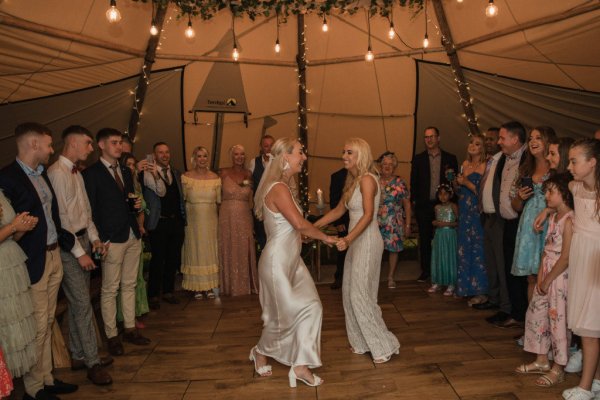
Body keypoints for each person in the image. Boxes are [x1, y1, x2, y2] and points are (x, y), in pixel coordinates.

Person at [250, 137, 338, 388]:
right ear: (285, 157)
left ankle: (300, 365)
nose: (304, 157)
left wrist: (303, 237)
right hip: (277, 262)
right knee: (281, 317)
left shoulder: (286, 187)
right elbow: (299, 224)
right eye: (300, 152)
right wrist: (327, 238)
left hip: (292, 261)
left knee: (312, 307)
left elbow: (294, 229)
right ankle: (260, 352)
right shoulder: (277, 188)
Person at [0, 122, 78, 400]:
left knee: (46, 322)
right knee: (37, 325)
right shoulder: (7, 178)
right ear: (33, 144)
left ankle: (46, 378)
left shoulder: (41, 174)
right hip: (33, 260)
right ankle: (34, 389)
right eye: (47, 144)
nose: (51, 149)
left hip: (54, 253)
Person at [315, 138, 400, 364]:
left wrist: (348, 239)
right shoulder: (352, 181)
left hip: (367, 239)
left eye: (349, 152)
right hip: (355, 240)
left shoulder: (368, 180)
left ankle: (383, 345)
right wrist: (312, 228)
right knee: (349, 292)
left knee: (361, 295)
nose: (344, 155)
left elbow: (368, 215)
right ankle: (362, 341)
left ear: (360, 155)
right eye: (343, 151)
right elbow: (336, 211)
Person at [47, 125, 113, 385]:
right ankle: (92, 362)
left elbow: (85, 211)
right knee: (83, 304)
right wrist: (78, 252)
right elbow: (61, 220)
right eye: (87, 143)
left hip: (84, 240)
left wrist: (95, 241)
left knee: (79, 303)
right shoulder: (57, 173)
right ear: (73, 143)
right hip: (69, 246)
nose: (90, 148)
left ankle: (78, 354)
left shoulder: (77, 172)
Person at [83, 128, 150, 357]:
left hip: (132, 233)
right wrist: (100, 239)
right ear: (101, 145)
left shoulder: (124, 169)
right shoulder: (91, 174)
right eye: (114, 142)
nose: (119, 146)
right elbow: (90, 210)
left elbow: (128, 199)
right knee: (110, 288)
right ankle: (112, 336)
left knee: (130, 284)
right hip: (111, 238)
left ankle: (130, 328)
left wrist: (137, 207)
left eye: (120, 142)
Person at [515, 173, 573, 388]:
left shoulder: (569, 221)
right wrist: (540, 273)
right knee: (536, 314)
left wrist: (548, 279)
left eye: (551, 192)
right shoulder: (552, 217)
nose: (546, 195)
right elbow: (546, 249)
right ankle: (541, 359)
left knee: (558, 321)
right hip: (546, 272)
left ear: (565, 194)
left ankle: (559, 367)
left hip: (559, 278)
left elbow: (566, 257)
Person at [475, 122, 528, 329]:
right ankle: (511, 310)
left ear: (515, 139)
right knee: (506, 268)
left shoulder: (526, 160)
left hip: (520, 222)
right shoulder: (505, 159)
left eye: (502, 138)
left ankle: (517, 312)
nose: (498, 142)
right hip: (505, 220)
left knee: (518, 272)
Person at [561, 139, 600, 400]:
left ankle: (585, 388)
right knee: (590, 325)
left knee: (590, 327)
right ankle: (596, 381)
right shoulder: (573, 187)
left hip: (597, 261)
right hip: (581, 259)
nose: (569, 166)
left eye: (574, 161)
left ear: (592, 162)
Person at [510, 127, 555, 312]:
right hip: (528, 227)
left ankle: (551, 328)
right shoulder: (524, 170)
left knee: (548, 276)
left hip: (549, 226)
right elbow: (515, 207)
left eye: (539, 138)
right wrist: (519, 197)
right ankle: (533, 328)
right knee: (531, 277)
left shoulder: (556, 169)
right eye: (531, 138)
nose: (533, 141)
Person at [410, 127, 458, 282]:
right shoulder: (418, 159)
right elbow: (414, 183)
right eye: (426, 137)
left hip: (444, 205)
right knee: (424, 239)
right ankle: (426, 271)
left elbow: (454, 183)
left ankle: (444, 269)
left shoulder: (450, 158)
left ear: (438, 138)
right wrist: (415, 203)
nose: (429, 139)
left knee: (444, 238)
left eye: (432, 136)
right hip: (424, 206)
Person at [143, 142, 186, 309]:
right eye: (160, 152)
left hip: (176, 222)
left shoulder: (175, 172)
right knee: (157, 259)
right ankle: (153, 294)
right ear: (154, 156)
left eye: (167, 152)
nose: (165, 155)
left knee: (173, 258)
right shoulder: (147, 174)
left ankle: (168, 291)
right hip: (158, 222)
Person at [0, 192, 38, 381]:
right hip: (1, 271)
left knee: (18, 322)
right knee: (6, 325)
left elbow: (9, 238)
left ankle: (22, 384)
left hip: (12, 264)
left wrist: (21, 228)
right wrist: (13, 226)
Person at [181, 146, 221, 300]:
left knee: (209, 252)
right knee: (195, 251)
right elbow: (182, 201)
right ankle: (196, 287)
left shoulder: (216, 178)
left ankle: (210, 286)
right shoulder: (186, 177)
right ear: (194, 159)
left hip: (211, 222)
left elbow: (218, 202)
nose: (202, 159)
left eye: (205, 156)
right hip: (193, 223)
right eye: (199, 156)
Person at [219, 144, 258, 296]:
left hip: (244, 215)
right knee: (229, 246)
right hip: (226, 216)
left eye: (242, 154)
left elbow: (252, 197)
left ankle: (246, 285)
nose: (239, 157)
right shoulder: (222, 173)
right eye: (236, 154)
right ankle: (229, 285)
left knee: (244, 246)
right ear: (232, 156)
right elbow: (217, 197)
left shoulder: (248, 174)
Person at [118, 153, 150, 328]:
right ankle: (126, 317)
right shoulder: (121, 186)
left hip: (137, 235)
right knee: (125, 280)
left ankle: (135, 313)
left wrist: (141, 225)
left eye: (133, 164)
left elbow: (141, 210)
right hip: (124, 237)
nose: (131, 167)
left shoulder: (136, 185)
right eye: (128, 164)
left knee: (136, 278)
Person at [455, 134, 488, 304]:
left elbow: (483, 193)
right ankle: (465, 288)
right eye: (471, 143)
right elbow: (460, 192)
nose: (473, 146)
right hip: (464, 212)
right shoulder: (464, 164)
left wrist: (467, 183)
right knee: (463, 249)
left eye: (477, 144)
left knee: (477, 250)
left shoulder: (485, 166)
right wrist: (458, 184)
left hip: (476, 212)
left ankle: (480, 291)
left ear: (482, 148)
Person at [376, 151, 411, 289]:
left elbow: (407, 204)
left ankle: (390, 277)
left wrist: (408, 225)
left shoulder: (400, 182)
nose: (387, 166)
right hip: (376, 220)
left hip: (394, 221)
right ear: (380, 165)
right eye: (384, 164)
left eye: (390, 164)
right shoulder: (374, 180)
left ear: (395, 166)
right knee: (375, 249)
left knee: (393, 249)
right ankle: (374, 276)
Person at [427, 184, 458, 295]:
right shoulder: (436, 207)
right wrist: (434, 233)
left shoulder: (453, 206)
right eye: (440, 194)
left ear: (450, 195)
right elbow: (434, 222)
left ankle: (451, 283)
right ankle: (438, 281)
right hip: (439, 235)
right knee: (438, 257)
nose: (443, 196)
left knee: (449, 257)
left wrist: (445, 224)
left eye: (445, 194)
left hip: (450, 235)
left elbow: (458, 222)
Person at [250, 135, 275, 253]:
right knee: (262, 240)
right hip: (259, 209)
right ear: (261, 147)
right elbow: (249, 184)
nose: (269, 149)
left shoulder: (279, 163)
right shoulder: (253, 162)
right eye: (266, 146)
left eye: (271, 146)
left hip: (275, 208)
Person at [329, 167, 349, 290]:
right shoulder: (337, 175)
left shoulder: (368, 175)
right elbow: (334, 201)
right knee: (343, 249)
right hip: (344, 219)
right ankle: (339, 277)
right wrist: (338, 222)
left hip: (361, 220)